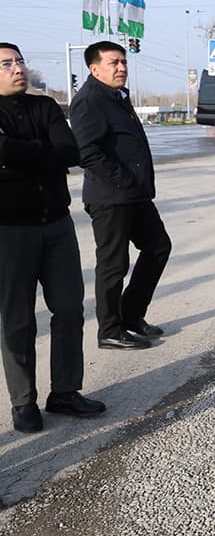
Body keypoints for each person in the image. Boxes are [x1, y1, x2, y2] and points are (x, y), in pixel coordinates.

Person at [0, 43, 106, 432]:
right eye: (7, 64)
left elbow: (69, 151)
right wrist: (41, 155)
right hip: (10, 231)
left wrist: (14, 157)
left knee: (69, 309)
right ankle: (23, 401)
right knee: (17, 320)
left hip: (57, 226)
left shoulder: (45, 107)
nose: (17, 69)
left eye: (20, 61)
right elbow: (48, 154)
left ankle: (64, 391)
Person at [70, 41, 169, 350]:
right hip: (110, 197)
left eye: (123, 62)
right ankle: (110, 330)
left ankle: (131, 316)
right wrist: (123, 180)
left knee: (158, 247)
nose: (121, 68)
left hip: (134, 195)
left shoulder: (117, 97)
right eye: (113, 63)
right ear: (94, 68)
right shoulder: (89, 101)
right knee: (113, 264)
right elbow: (87, 153)